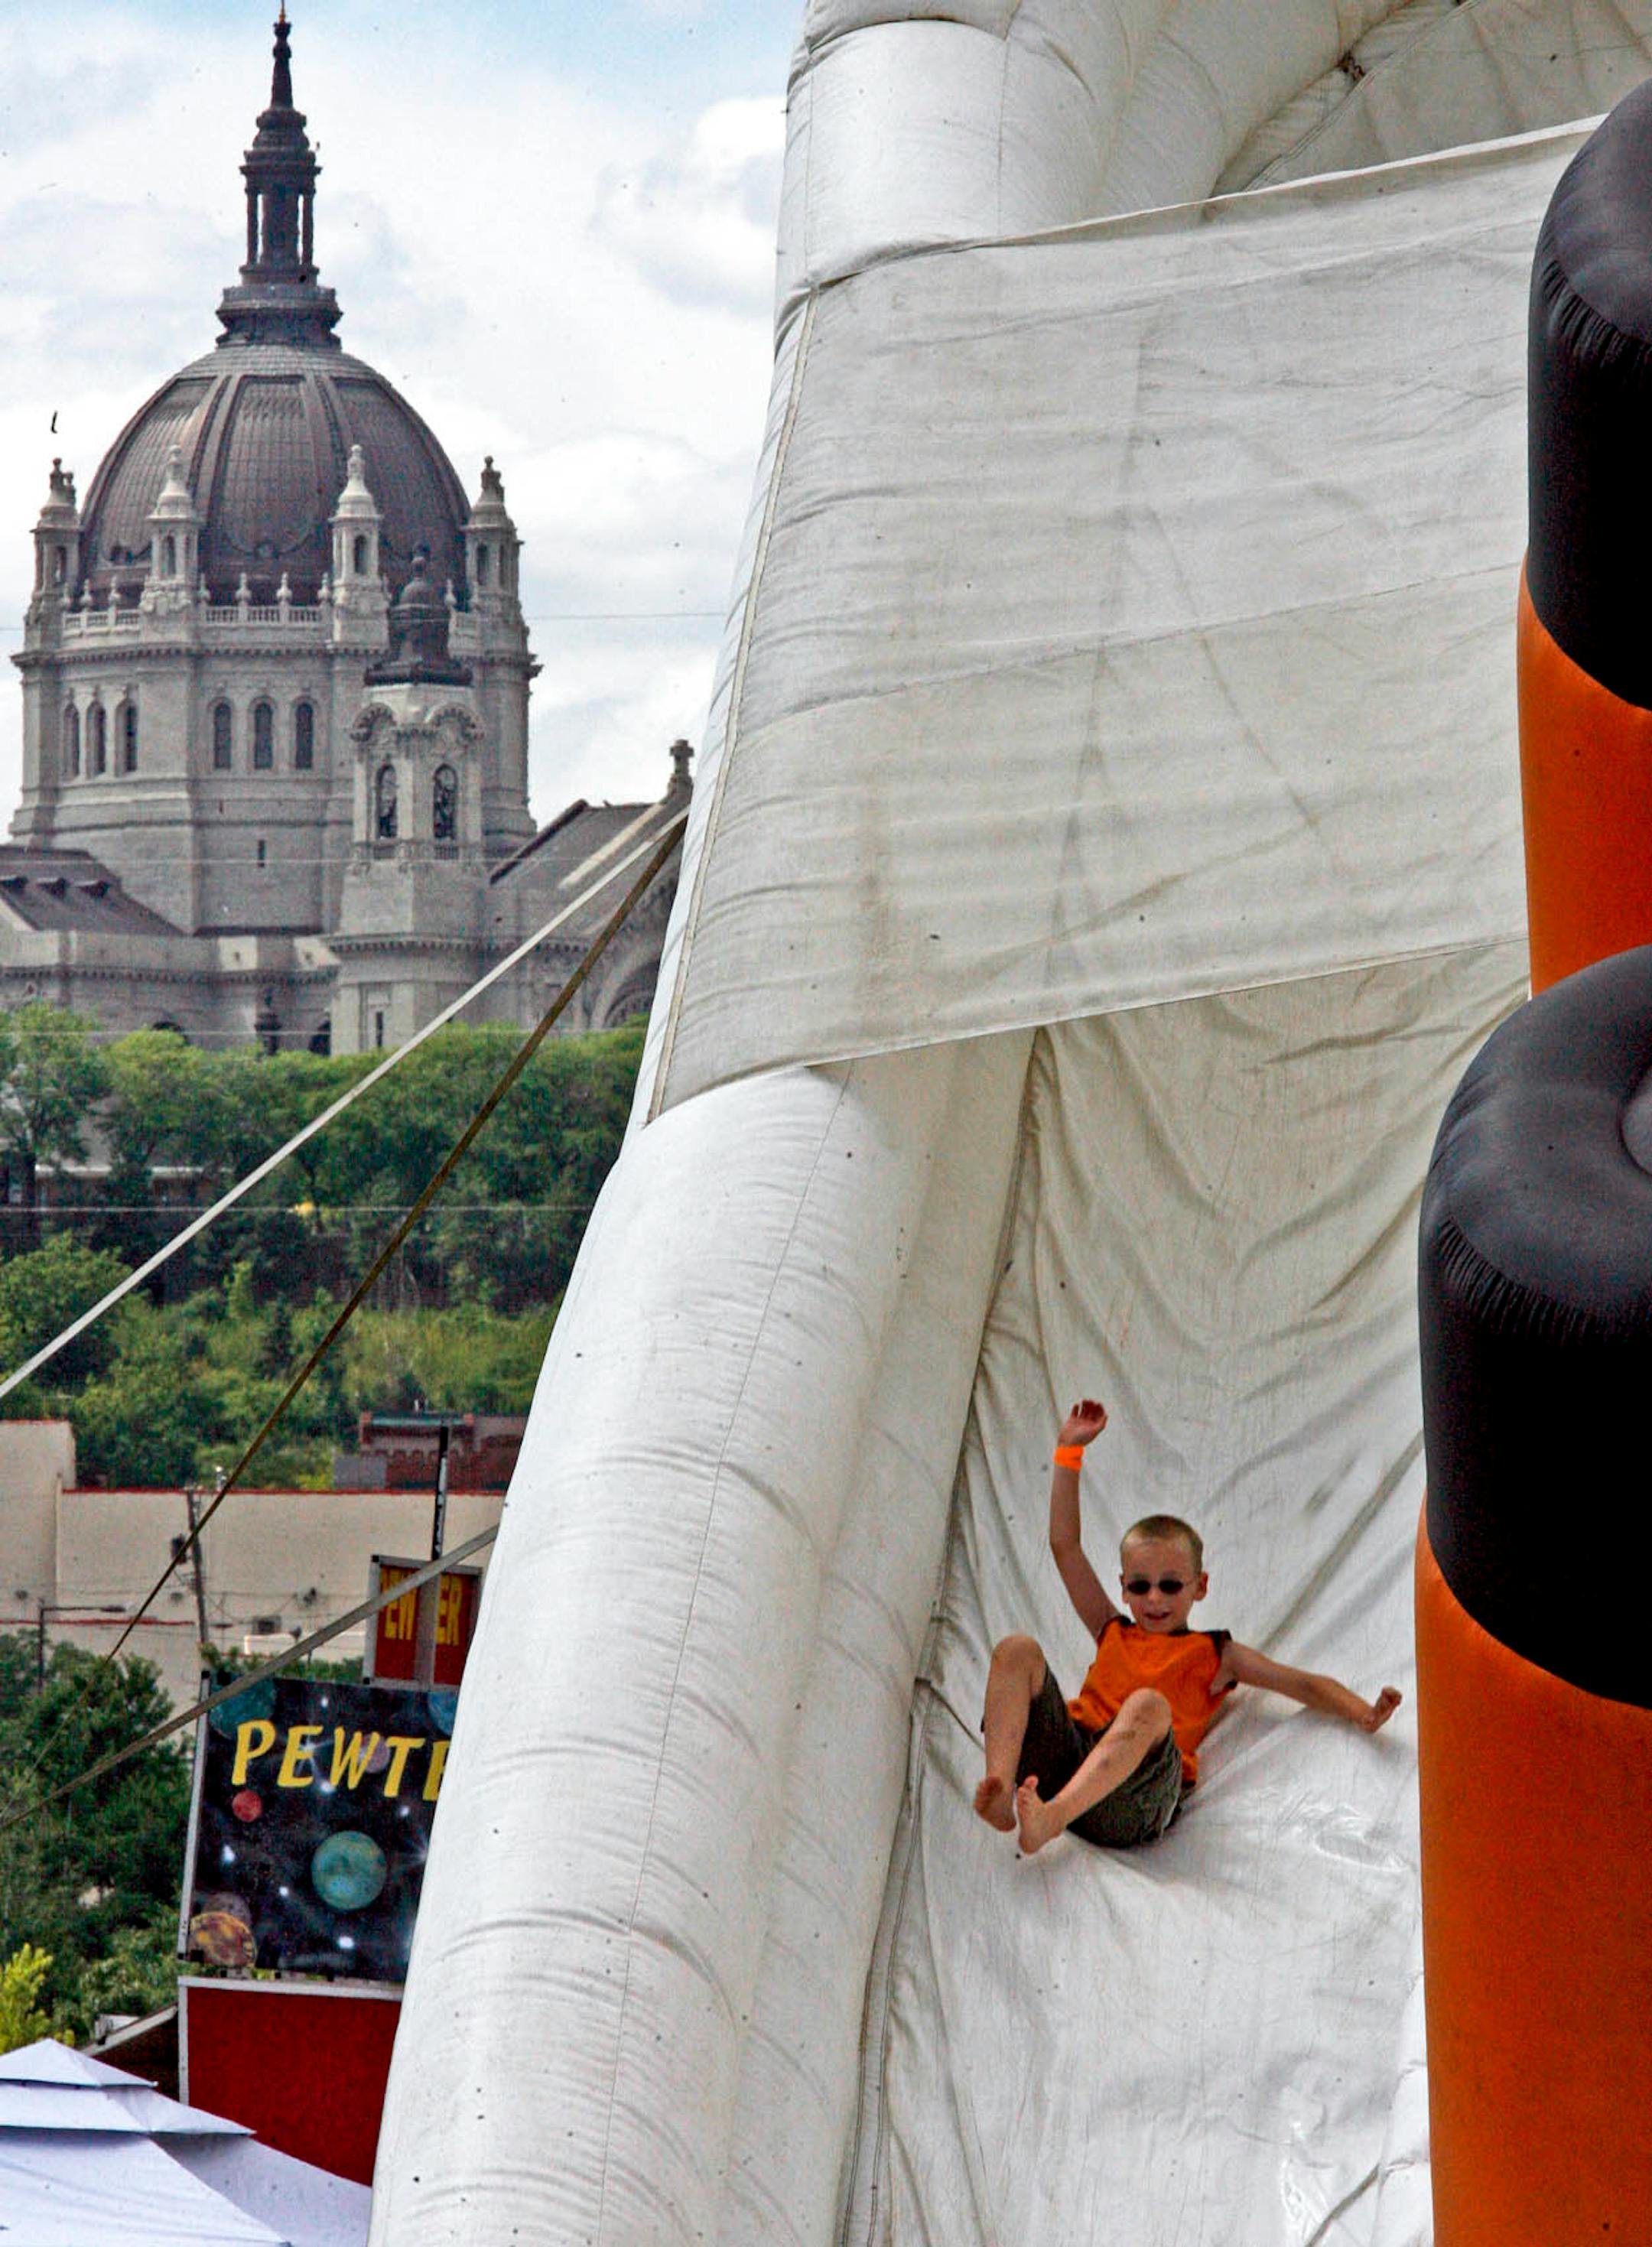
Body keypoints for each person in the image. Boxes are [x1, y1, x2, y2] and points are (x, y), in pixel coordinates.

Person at [974, 1398, 1403, 1856]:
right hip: (1066, 1765)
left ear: (1199, 1587)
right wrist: (1068, 1453)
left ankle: (1052, 1820)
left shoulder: (1216, 1654)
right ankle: (1001, 1787)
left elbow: (1301, 1684)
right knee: (1016, 1649)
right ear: (1123, 1589)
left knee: (1149, 1706)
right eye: (1140, 1587)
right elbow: (1065, 1546)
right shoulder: (1111, 1629)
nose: (1154, 1599)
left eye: (1170, 1586)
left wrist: (1363, 1711)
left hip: (1132, 1801)